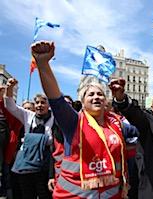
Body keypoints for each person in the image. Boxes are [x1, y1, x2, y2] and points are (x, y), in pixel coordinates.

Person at [31, 41, 129, 198]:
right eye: (91, 94)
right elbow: (55, 98)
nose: (96, 97)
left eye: (100, 94)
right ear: (82, 103)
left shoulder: (116, 125)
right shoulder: (74, 122)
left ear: (106, 101)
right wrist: (43, 63)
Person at [5, 82, 54, 199]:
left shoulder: (55, 119)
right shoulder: (28, 115)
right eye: (37, 103)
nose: (39, 105)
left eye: (43, 102)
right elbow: (10, 106)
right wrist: (9, 88)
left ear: (49, 105)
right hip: (27, 165)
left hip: (45, 166)